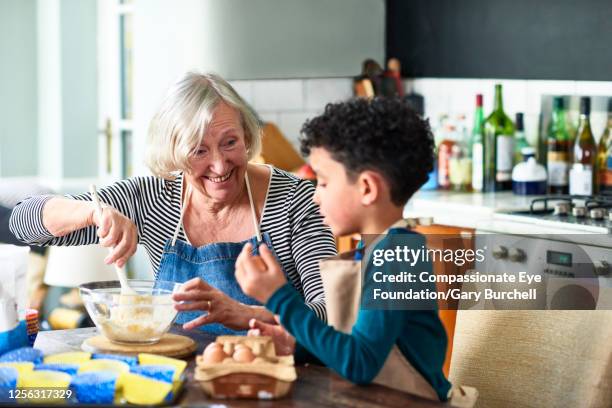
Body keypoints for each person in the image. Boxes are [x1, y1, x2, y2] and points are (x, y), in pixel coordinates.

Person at [10, 72, 336, 335]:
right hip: (178, 377)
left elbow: (333, 311)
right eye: (199, 150)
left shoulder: (294, 200)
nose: (220, 166)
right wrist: (93, 212)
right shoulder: (154, 198)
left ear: (247, 138)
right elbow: (23, 223)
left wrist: (245, 314)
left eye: (230, 143)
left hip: (276, 378)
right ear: (174, 153)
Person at [236, 97, 452, 401]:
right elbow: (360, 344)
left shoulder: (397, 258)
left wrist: (279, 298)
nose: (315, 197)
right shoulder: (375, 248)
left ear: (367, 188)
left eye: (323, 183)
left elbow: (360, 363)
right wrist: (295, 344)